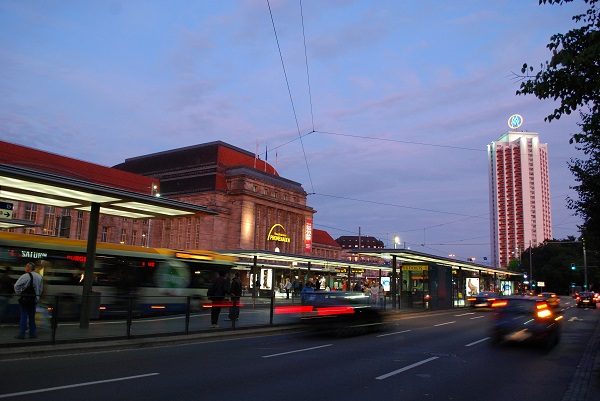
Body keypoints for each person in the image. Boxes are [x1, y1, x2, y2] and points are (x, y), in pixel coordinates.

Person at [13, 262, 43, 339]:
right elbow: (40, 289)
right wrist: (37, 297)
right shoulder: (39, 277)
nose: (25, 268)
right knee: (32, 317)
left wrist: (19, 294)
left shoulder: (25, 276)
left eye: (26, 266)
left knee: (23, 316)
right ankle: (32, 334)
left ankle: (22, 334)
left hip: (25, 299)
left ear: (28, 268)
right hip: (34, 299)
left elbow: (16, 286)